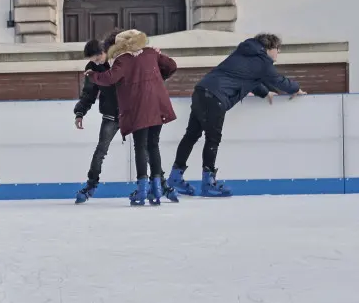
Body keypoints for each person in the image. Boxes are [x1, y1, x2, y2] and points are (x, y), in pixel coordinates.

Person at [167, 33, 306, 197]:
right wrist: (296, 88)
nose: (278, 53)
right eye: (278, 49)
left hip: (202, 90)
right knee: (213, 139)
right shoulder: (263, 62)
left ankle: (175, 177)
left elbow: (246, 79)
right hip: (216, 97)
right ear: (270, 48)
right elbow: (279, 80)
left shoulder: (245, 52)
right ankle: (208, 183)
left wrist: (264, 93)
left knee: (191, 135)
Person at [86, 29, 179, 206]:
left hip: (138, 108)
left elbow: (110, 78)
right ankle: (157, 188)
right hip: (158, 104)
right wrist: (158, 78)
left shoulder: (123, 59)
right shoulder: (151, 53)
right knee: (153, 145)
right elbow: (172, 65)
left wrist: (92, 75)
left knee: (140, 147)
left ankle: (143, 189)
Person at [73, 39, 120, 204]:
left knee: (144, 148)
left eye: (97, 59)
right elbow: (89, 92)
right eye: (92, 60)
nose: (95, 63)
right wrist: (80, 112)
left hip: (131, 112)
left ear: (104, 52)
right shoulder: (92, 68)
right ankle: (91, 185)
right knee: (101, 150)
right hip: (110, 114)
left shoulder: (120, 60)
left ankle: (157, 182)